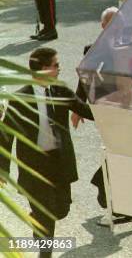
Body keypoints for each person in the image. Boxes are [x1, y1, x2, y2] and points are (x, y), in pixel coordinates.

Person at [0, 48, 93, 258]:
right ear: (43, 70)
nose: (59, 69)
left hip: (59, 165)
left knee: (61, 210)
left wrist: (115, 109)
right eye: (56, 65)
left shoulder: (60, 91)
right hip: (35, 170)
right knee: (46, 219)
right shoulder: (20, 99)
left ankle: (41, 220)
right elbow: (6, 136)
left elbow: (85, 109)